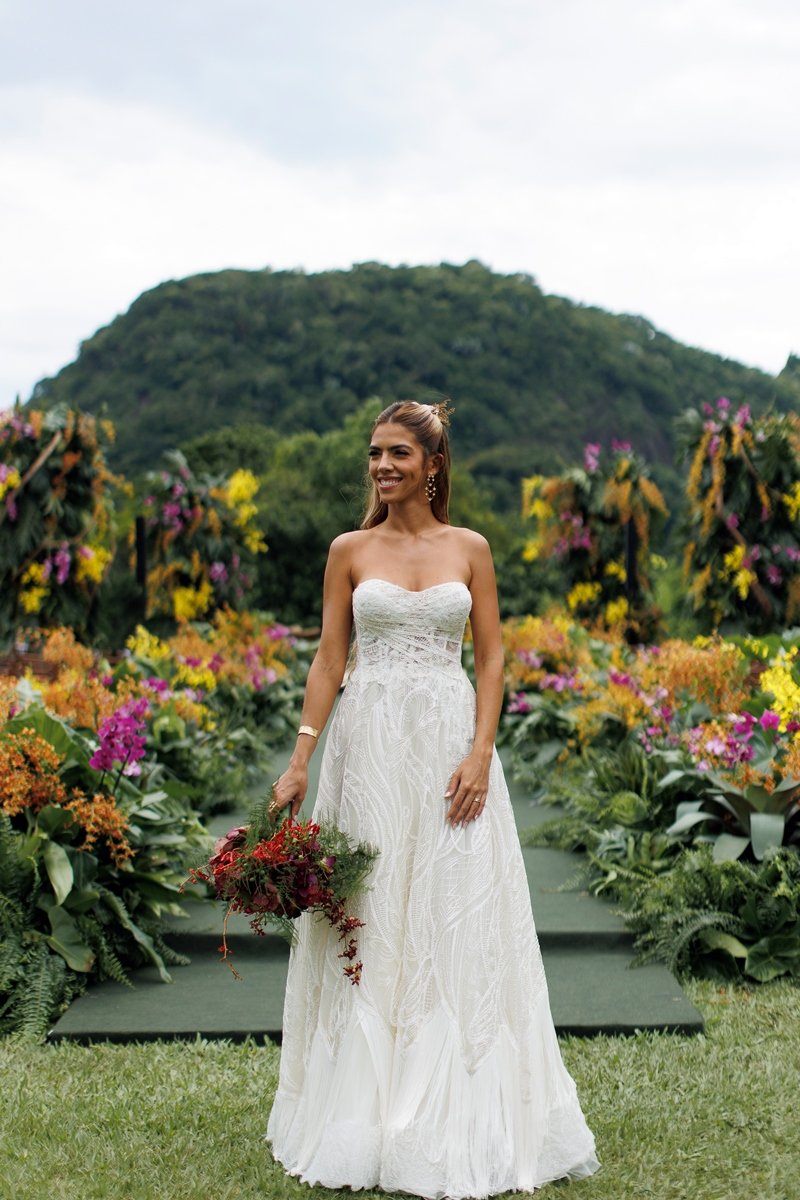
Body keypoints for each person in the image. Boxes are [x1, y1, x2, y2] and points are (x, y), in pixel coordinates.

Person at [267, 401, 599, 1198]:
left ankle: (453, 1108)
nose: (383, 466)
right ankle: (361, 1113)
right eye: (375, 454)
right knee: (372, 908)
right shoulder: (348, 550)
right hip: (369, 744)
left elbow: (490, 660)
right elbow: (328, 659)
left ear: (433, 464)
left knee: (456, 905)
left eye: (399, 454)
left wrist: (481, 751)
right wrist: (300, 757)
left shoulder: (471, 549)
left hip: (450, 745)